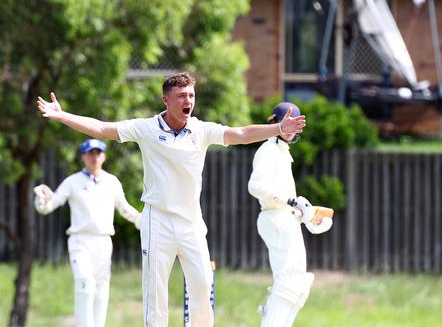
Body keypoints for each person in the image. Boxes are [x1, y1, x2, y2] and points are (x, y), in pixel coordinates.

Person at [36, 72, 306, 327]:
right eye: (181, 96)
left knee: (202, 286)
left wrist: (279, 128)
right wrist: (62, 116)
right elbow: (102, 128)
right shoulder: (146, 128)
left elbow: (241, 134)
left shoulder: (201, 130)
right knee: (155, 294)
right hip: (158, 220)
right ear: (166, 99)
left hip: (191, 222)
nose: (188, 101)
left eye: (190, 95)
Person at [32, 138, 141, 327]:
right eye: (90, 153)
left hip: (104, 241)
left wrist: (143, 221)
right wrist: (41, 200)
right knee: (85, 284)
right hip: (80, 241)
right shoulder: (73, 181)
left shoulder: (111, 181)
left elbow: (125, 209)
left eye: (98, 153)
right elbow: (50, 205)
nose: (94, 157)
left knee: (101, 291)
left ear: (104, 156)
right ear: (83, 156)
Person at [248, 102, 333, 327]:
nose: (292, 129)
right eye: (289, 123)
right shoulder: (267, 150)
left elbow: (285, 196)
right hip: (274, 218)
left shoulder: (282, 152)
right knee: (288, 282)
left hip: (285, 219)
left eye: (296, 125)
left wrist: (308, 216)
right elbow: (255, 186)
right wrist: (292, 201)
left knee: (298, 286)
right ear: (275, 123)